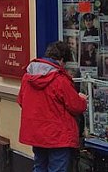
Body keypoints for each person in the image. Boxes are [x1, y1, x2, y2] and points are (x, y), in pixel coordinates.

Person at [18, 41, 88, 172]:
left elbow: (22, 101)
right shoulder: (60, 80)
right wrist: (82, 99)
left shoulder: (27, 77)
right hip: (58, 135)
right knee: (57, 169)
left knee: (39, 167)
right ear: (61, 60)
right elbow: (76, 106)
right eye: (65, 63)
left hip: (37, 133)